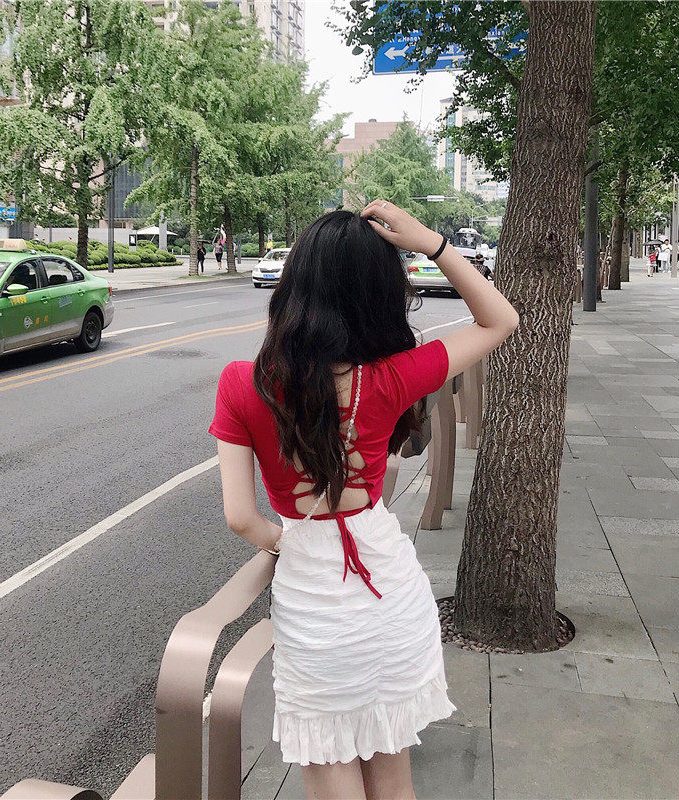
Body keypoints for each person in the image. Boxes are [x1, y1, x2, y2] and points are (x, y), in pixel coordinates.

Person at [209, 202, 519, 800]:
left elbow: (241, 518)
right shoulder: (392, 376)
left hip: (317, 612)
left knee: (332, 774)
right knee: (393, 784)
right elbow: (500, 319)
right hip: (392, 596)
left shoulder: (242, 384)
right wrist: (431, 243)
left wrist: (286, 541)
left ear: (296, 283)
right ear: (377, 295)